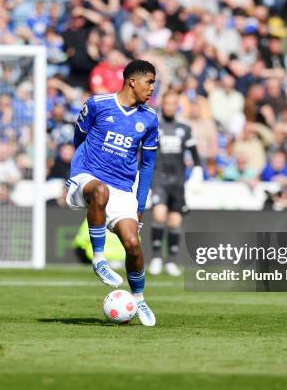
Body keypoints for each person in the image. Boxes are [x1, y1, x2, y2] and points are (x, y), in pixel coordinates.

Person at [65, 60, 158, 326]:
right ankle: (99, 259)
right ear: (132, 81)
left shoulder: (149, 118)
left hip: (122, 189)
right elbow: (79, 137)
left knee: (133, 244)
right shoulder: (97, 104)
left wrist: (139, 206)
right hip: (87, 177)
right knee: (100, 191)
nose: (152, 88)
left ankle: (138, 299)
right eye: (149, 82)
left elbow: (148, 165)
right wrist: (79, 167)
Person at [149, 90, 202, 277]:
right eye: (167, 103)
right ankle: (156, 258)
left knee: (174, 221)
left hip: (178, 180)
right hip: (159, 177)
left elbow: (194, 155)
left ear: (176, 106)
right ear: (162, 104)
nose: (170, 107)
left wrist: (197, 172)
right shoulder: (154, 125)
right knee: (159, 214)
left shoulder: (184, 128)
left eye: (173, 104)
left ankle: (171, 261)